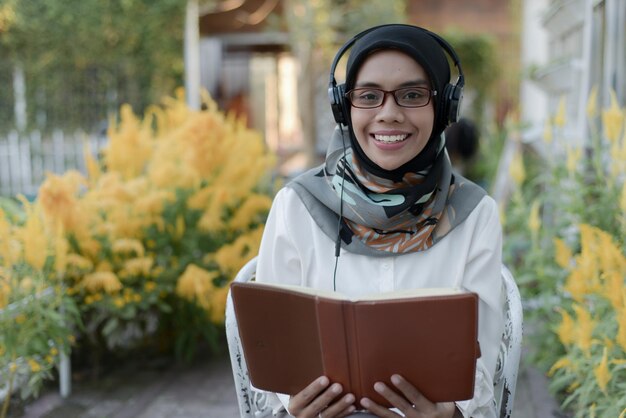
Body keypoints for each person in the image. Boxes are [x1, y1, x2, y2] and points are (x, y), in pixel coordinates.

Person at [255, 24, 504, 418]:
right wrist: (294, 404)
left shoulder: (474, 213)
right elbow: (272, 355)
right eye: (369, 96)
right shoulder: (295, 207)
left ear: (443, 107)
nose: (389, 114)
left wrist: (452, 413)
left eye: (412, 95)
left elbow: (483, 365)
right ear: (344, 107)